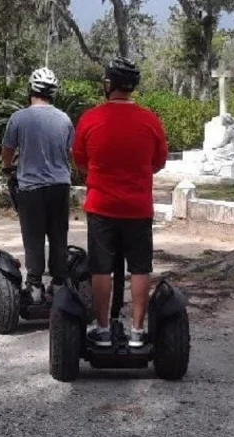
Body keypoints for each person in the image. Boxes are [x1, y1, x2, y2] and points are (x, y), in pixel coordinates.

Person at [72, 57, 168, 348]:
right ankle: (138, 331)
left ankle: (102, 328)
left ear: (109, 84)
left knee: (101, 268)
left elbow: (80, 161)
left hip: (102, 206)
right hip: (138, 207)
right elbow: (159, 162)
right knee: (140, 268)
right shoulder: (150, 119)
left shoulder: (91, 118)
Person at [1, 68, 74, 303]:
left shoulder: (19, 118)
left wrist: (7, 167)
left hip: (31, 188)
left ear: (30, 89)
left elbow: (7, 150)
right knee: (58, 235)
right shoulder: (64, 119)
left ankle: (34, 286)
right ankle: (59, 283)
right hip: (60, 186)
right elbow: (71, 152)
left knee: (33, 238)